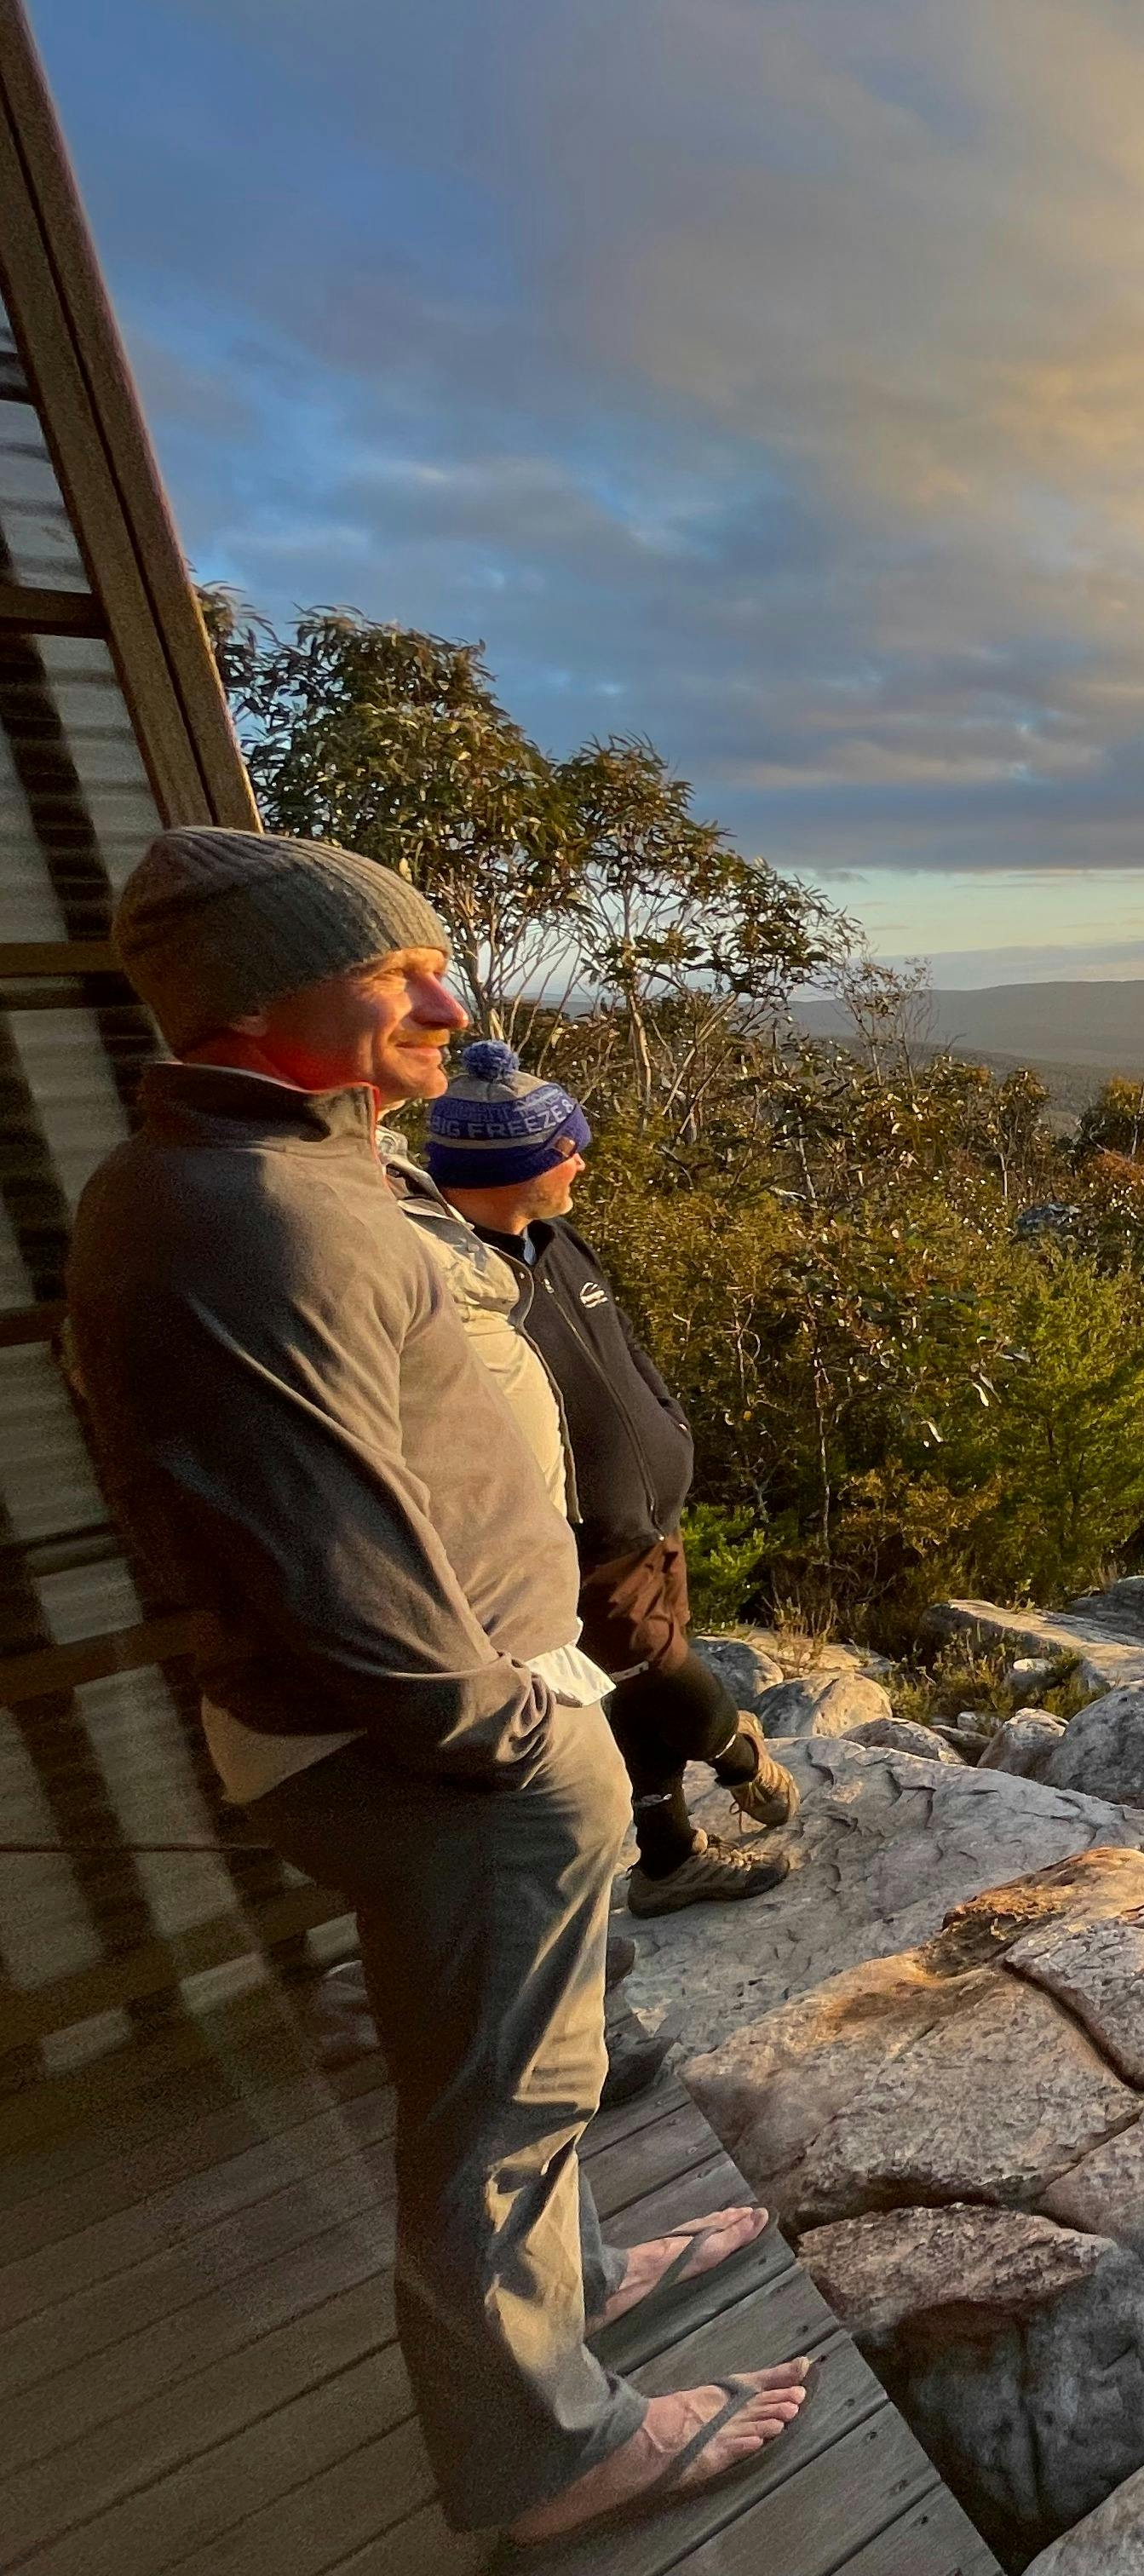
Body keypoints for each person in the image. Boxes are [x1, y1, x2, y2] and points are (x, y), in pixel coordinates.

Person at [63, 826, 812, 2544]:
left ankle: (586, 2280)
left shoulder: (314, 1171)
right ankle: (547, 2451)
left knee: (527, 2074)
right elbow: (313, 1555)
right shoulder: (245, 1215)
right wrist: (530, 1738)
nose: (446, 998)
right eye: (396, 970)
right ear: (268, 995)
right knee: (492, 2110)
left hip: (465, 1721)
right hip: (442, 1750)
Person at [423, 1039, 794, 1916]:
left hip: (646, 1521)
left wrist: (666, 1424)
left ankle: (666, 1860)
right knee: (657, 1671)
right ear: (515, 1165)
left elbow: (619, 1353)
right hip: (579, 1544)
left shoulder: (551, 1239)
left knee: (639, 1694)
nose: (581, 1161)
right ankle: (738, 1751)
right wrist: (734, 1746)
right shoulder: (452, 1291)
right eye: (565, 1150)